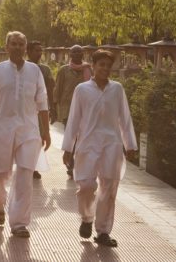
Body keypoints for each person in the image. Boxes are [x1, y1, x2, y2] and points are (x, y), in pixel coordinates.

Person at [0, 31, 50, 238]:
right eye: (14, 44)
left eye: (21, 44)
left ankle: (19, 223)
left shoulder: (35, 71)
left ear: (25, 48)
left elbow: (42, 101)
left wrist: (46, 131)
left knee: (25, 175)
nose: (18, 47)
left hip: (28, 131)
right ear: (7, 47)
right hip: (2, 129)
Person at [61, 50, 137, 248]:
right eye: (101, 64)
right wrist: (68, 147)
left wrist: (130, 144)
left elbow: (125, 118)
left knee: (109, 188)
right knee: (85, 185)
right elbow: (74, 119)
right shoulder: (82, 89)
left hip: (111, 145)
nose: (104, 68)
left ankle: (103, 231)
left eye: (107, 65)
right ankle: (87, 218)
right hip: (87, 144)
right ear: (93, 66)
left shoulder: (117, 89)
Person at [54, 45, 92, 177]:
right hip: (67, 108)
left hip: (85, 109)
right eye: (74, 52)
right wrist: (54, 108)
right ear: (70, 54)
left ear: (83, 54)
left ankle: (78, 163)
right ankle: (71, 164)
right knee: (71, 136)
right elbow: (57, 89)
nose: (76, 54)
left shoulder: (88, 70)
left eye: (79, 52)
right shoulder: (64, 70)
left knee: (82, 137)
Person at [26, 40, 55, 180]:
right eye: (36, 50)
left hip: (41, 109)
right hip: (27, 110)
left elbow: (50, 89)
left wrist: (52, 108)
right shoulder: (22, 68)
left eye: (40, 50)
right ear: (29, 52)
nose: (39, 53)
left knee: (40, 139)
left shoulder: (45, 70)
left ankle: (34, 166)